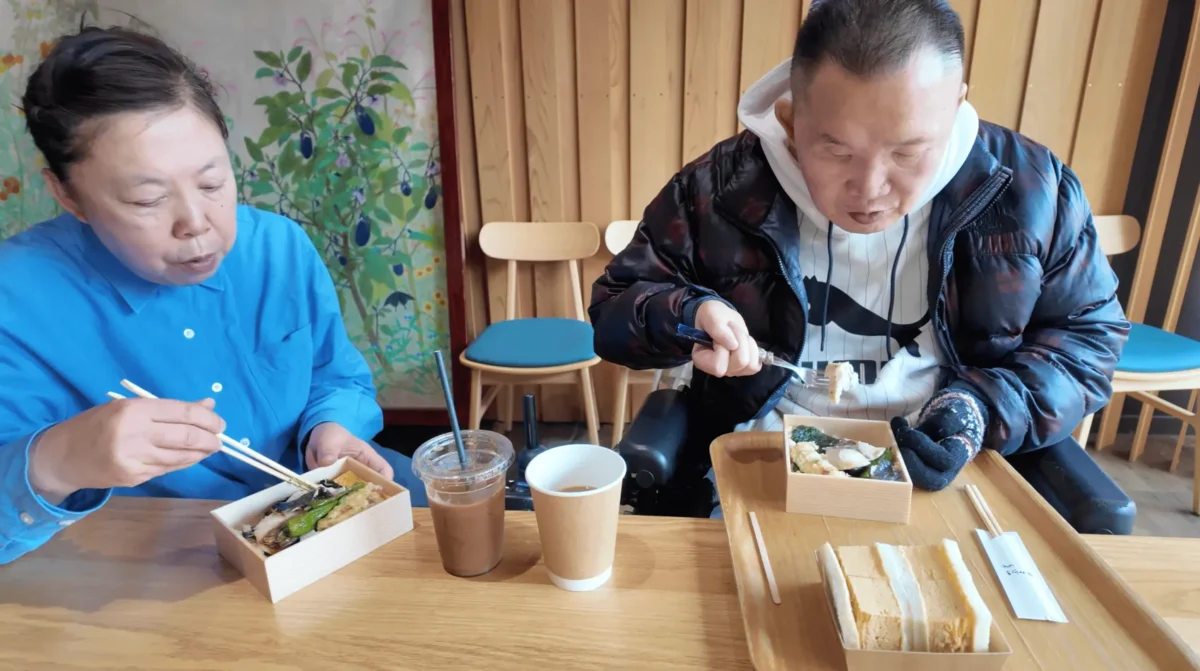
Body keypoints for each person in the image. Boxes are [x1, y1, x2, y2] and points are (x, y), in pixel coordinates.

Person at [590, 0, 1128, 516]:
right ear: (790, 119)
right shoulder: (717, 188)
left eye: (907, 152)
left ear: (956, 107)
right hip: (760, 456)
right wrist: (689, 315)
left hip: (944, 468)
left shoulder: (1033, 190)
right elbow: (617, 308)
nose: (870, 189)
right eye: (837, 151)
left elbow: (1089, 337)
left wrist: (982, 408)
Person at [0, 26, 427, 565]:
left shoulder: (276, 248)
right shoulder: (16, 299)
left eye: (212, 183)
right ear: (68, 195)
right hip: (155, 555)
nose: (197, 223)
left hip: (308, 502)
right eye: (147, 199)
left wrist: (331, 427)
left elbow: (335, 376)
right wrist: (58, 461)